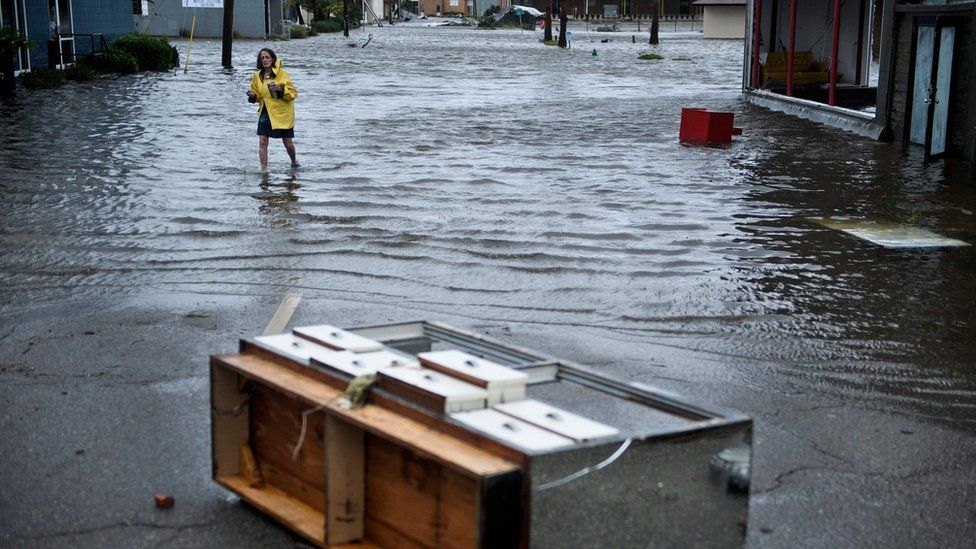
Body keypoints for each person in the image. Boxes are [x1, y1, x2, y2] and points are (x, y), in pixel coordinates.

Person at [247, 48, 299, 169]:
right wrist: (253, 96)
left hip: (282, 113)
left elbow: (293, 94)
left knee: (288, 143)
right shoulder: (257, 76)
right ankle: (264, 171)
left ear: (273, 59)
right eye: (262, 58)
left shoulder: (282, 73)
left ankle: (294, 162)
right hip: (265, 111)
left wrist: (280, 89)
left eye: (267, 57)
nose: (265, 60)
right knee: (262, 141)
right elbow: (257, 95)